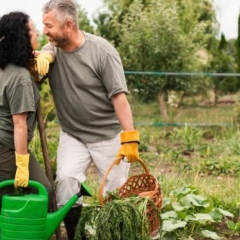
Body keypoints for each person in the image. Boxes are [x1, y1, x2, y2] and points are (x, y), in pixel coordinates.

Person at [41, 0, 140, 239]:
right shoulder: (52, 49)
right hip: (73, 134)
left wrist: (129, 137)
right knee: (65, 183)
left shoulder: (102, 52)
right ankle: (78, 236)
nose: (45, 31)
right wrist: (41, 57)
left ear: (68, 25)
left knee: (113, 196)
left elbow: (119, 99)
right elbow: (45, 53)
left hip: (108, 135)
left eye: (49, 25)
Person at [0, 11, 54, 208]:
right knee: (40, 190)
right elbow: (19, 124)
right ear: (21, 38)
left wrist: (46, 56)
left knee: (42, 189)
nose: (38, 34)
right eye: (32, 30)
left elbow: (46, 56)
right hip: (6, 149)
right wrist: (21, 166)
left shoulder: (6, 65)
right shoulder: (20, 77)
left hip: (6, 145)